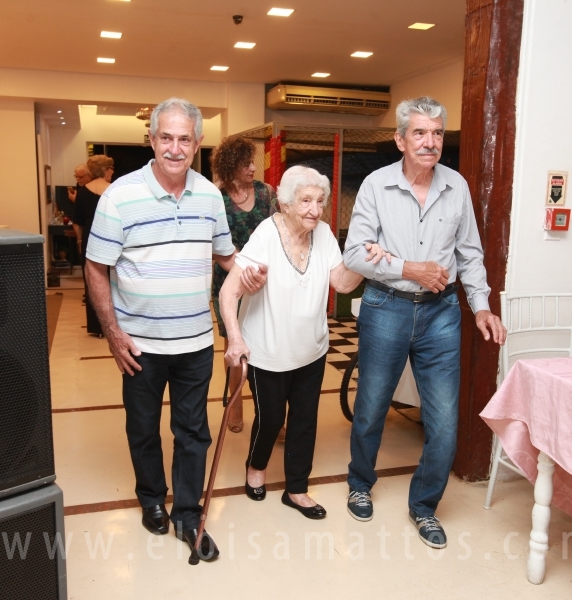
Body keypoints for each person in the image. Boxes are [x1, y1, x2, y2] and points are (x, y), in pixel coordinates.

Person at [85, 97, 254, 562]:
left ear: (198, 142)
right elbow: (96, 268)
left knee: (192, 432)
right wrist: (115, 334)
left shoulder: (209, 196)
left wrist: (249, 271)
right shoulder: (120, 195)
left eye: (185, 139)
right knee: (142, 428)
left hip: (196, 341)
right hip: (139, 344)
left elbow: (226, 254)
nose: (175, 148)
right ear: (152, 140)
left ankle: (186, 513)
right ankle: (150, 500)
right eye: (166, 137)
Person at [342, 96, 506, 548]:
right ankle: (360, 480)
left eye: (436, 133)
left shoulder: (457, 187)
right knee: (372, 405)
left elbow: (470, 254)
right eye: (419, 133)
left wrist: (482, 307)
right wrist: (409, 268)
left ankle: (425, 506)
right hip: (385, 307)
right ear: (400, 139)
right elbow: (355, 253)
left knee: (444, 421)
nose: (429, 142)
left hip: (441, 315)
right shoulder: (376, 186)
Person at [221, 166, 389, 519]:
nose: (315, 209)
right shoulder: (267, 234)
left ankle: (296, 489)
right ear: (285, 203)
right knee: (270, 419)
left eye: (320, 201)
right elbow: (228, 291)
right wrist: (235, 339)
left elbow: (341, 283)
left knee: (304, 420)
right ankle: (256, 467)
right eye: (306, 201)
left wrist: (365, 261)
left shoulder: (324, 234)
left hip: (311, 348)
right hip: (267, 349)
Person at [209, 137, 278, 434]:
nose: (252, 168)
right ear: (229, 166)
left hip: (264, 283)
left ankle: (271, 414)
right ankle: (234, 407)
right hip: (230, 282)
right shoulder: (217, 199)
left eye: (253, 162)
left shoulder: (266, 193)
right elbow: (213, 245)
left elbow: (280, 230)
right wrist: (242, 269)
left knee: (268, 347)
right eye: (245, 164)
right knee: (235, 350)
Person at [73, 155, 114, 336]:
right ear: (105, 171)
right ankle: (114, 325)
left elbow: (77, 222)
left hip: (90, 237)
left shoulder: (83, 191)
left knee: (92, 281)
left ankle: (97, 327)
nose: (113, 172)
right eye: (111, 169)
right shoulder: (114, 190)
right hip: (112, 237)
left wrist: (80, 240)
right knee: (113, 281)